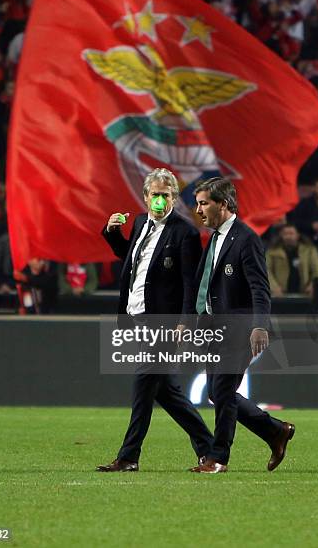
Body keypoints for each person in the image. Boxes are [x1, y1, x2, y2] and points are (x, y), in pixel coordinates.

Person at [96, 168, 216, 472]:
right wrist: (112, 234)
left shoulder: (185, 232)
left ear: (174, 198)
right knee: (166, 392)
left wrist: (185, 322)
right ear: (146, 196)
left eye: (166, 195)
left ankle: (128, 456)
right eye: (155, 194)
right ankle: (208, 448)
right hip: (137, 316)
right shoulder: (139, 223)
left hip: (162, 322)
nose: (160, 200)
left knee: (143, 384)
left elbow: (191, 282)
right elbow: (132, 260)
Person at [191, 177, 295, 474]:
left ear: (223, 204)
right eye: (198, 203)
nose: (198, 210)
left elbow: (260, 288)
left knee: (222, 390)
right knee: (217, 392)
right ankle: (275, 431)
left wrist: (259, 326)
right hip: (217, 328)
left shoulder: (246, 238)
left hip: (241, 327)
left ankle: (218, 458)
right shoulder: (215, 238)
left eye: (204, 203)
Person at [266, 223, 318, 297]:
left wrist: (313, 285)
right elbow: (266, 271)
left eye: (291, 233)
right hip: (280, 294)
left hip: (304, 293)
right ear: (281, 236)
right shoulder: (272, 252)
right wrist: (274, 287)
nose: (288, 236)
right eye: (285, 234)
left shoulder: (309, 250)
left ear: (297, 235)